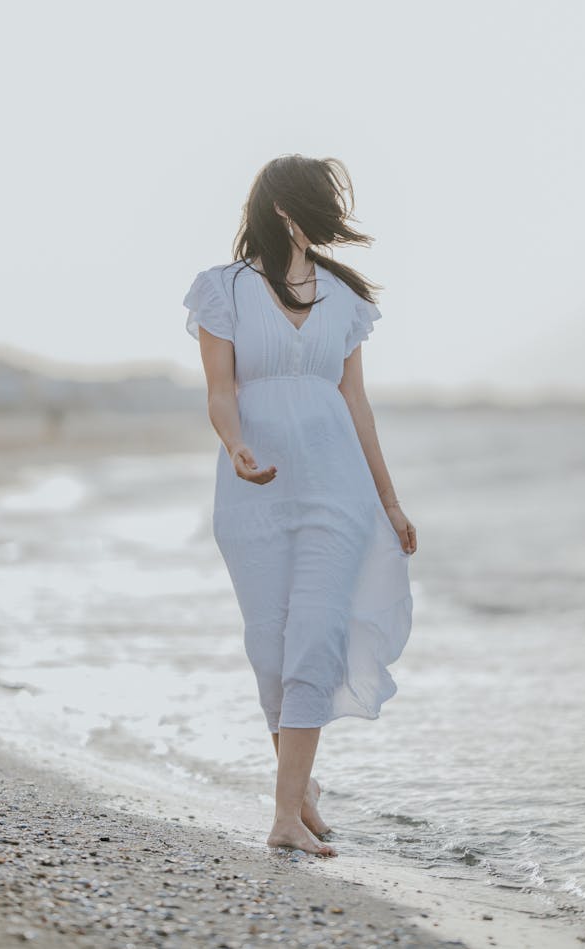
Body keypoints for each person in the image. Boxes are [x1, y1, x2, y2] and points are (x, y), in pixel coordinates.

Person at [182, 154, 417, 857]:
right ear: (286, 210)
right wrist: (234, 445)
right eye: (316, 204)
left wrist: (391, 500)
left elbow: (357, 403)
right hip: (254, 493)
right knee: (271, 644)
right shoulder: (222, 290)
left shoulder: (345, 299)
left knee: (315, 635)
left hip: (337, 489)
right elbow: (221, 389)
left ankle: (284, 813)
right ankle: (300, 789)